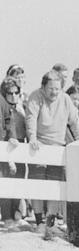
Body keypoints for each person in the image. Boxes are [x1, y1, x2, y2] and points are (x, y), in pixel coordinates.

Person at [25, 69, 79, 239]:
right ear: (43, 87)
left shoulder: (65, 99)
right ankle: (39, 222)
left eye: (57, 89)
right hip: (39, 145)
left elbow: (75, 121)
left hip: (58, 147)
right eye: (51, 88)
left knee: (55, 185)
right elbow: (31, 118)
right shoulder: (35, 97)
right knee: (38, 183)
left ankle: (50, 223)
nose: (54, 92)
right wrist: (33, 137)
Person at [0, 77, 27, 226]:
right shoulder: (2, 106)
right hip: (5, 147)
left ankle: (17, 214)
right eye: (9, 93)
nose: (13, 95)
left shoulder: (21, 108)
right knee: (5, 180)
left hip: (20, 147)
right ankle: (6, 216)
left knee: (18, 180)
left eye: (16, 92)